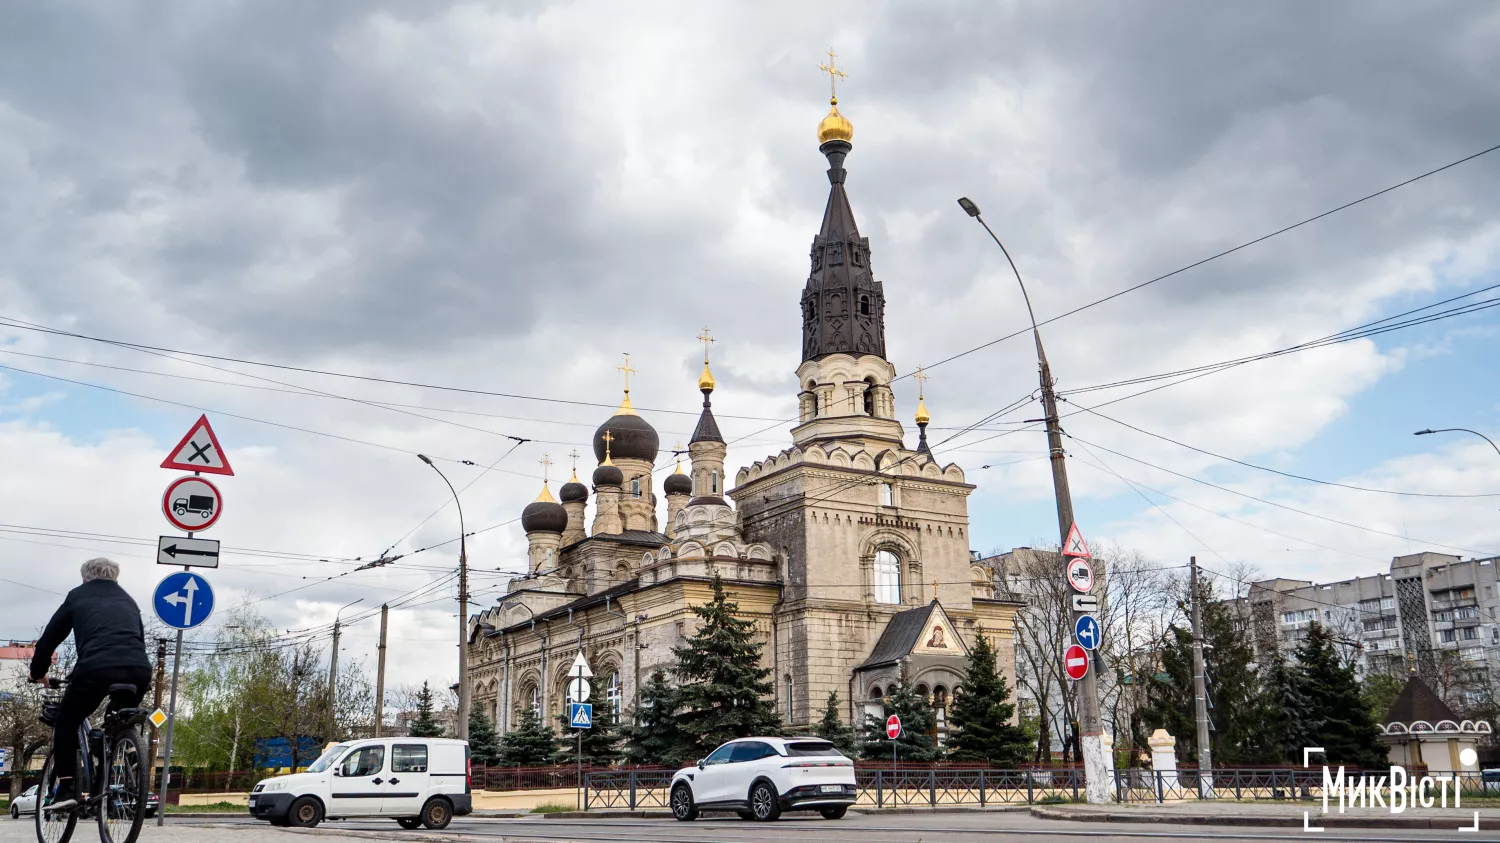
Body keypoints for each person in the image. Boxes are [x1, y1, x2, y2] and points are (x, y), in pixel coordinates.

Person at [29, 558, 152, 813]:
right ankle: (111, 748)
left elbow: (48, 640)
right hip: (138, 670)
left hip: (96, 669)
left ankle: (65, 788)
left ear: (85, 578)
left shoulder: (77, 596)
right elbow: (136, 638)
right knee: (118, 719)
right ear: (115, 579)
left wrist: (38, 673)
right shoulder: (128, 599)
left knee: (66, 720)